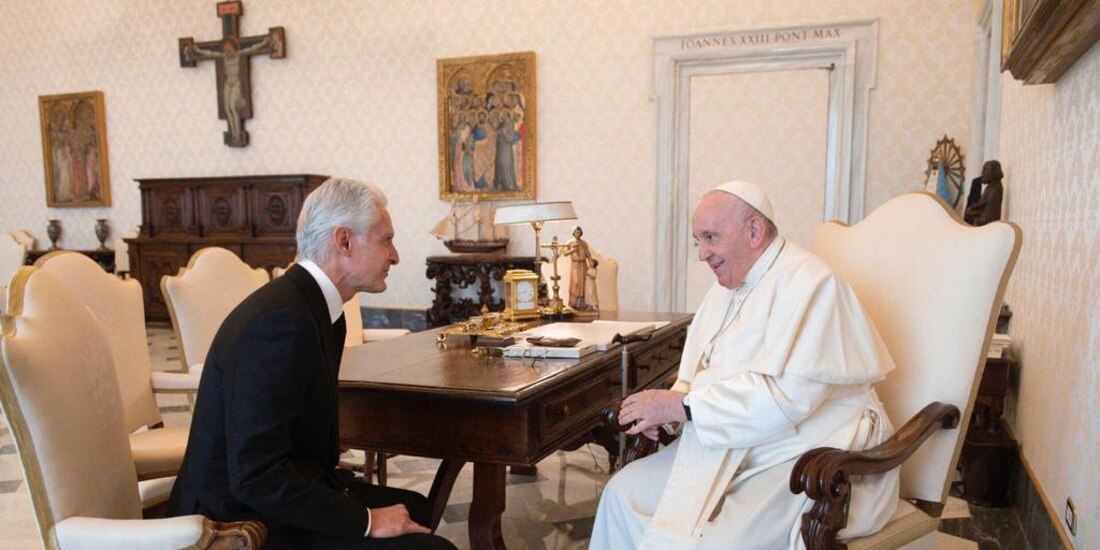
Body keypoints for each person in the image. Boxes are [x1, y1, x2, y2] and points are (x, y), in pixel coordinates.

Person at [591, 181, 899, 549]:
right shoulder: (726, 288)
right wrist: (670, 413)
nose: (702, 254)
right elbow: (698, 374)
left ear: (753, 230)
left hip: (810, 446)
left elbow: (787, 402)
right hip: (736, 438)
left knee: (721, 543)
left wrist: (681, 407)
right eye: (698, 241)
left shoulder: (813, 284)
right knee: (621, 495)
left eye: (710, 237)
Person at [167, 178, 456, 550]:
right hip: (235, 522)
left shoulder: (312, 306)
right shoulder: (281, 323)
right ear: (344, 241)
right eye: (386, 239)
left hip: (276, 491)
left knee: (417, 508)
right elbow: (257, 476)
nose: (396, 255)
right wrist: (366, 521)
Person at [964, 160, 1004, 226]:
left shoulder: (995, 189)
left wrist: (972, 213)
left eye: (985, 170)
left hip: (986, 226)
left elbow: (988, 215)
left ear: (993, 172)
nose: (982, 173)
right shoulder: (991, 187)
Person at [564, 226, 595, 311]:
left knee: (582, 284)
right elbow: (565, 253)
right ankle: (573, 303)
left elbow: (587, 253)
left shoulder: (584, 243)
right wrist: (572, 250)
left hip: (583, 264)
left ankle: (581, 304)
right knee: (576, 283)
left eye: (579, 232)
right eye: (576, 232)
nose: (578, 233)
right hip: (575, 265)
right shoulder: (569, 242)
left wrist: (590, 260)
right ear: (573, 233)